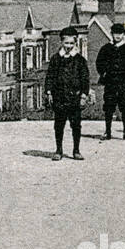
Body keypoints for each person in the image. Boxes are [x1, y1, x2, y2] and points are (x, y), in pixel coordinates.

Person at [45, 26, 90, 160]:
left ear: (75, 43)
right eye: (66, 43)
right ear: (61, 42)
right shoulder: (55, 59)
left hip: (74, 98)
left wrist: (83, 95)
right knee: (59, 125)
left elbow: (85, 79)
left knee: (76, 125)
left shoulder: (80, 60)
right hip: (59, 98)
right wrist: (49, 92)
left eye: (71, 43)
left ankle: (76, 150)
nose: (69, 46)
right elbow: (50, 76)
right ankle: (58, 150)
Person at [96, 22, 125, 141]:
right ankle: (107, 132)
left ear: (124, 35)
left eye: (120, 34)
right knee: (109, 106)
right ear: (111, 34)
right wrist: (104, 73)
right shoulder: (106, 48)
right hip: (110, 82)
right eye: (115, 33)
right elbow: (99, 63)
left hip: (124, 82)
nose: (117, 36)